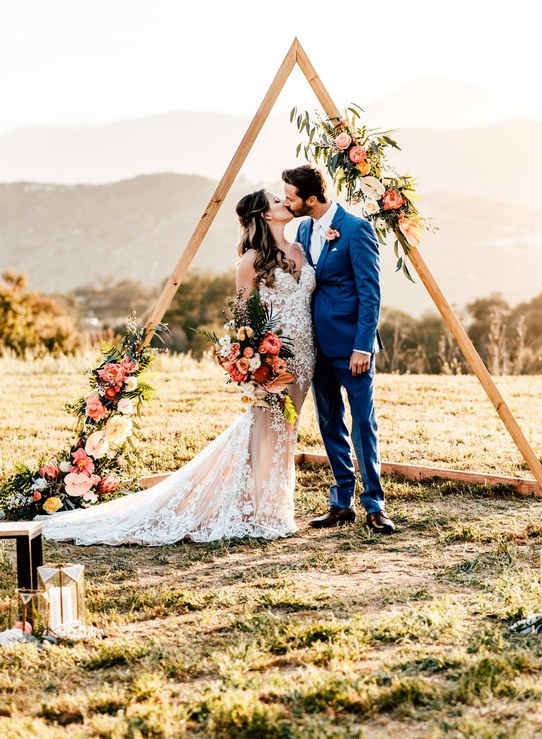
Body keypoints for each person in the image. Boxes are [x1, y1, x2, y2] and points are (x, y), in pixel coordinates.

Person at [38, 190, 315, 546]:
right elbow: (244, 321)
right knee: (268, 427)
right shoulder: (251, 261)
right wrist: (255, 362)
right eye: (276, 200)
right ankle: (264, 512)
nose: (284, 202)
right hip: (274, 359)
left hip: (307, 356)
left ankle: (267, 506)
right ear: (263, 215)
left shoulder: (301, 249)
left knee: (286, 429)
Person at [282, 164, 395, 534]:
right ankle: (341, 501)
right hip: (316, 345)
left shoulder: (356, 229)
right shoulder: (301, 228)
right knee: (330, 422)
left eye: (291, 197)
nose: (287, 202)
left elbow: (370, 293)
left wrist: (363, 346)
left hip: (352, 348)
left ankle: (374, 505)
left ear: (311, 199)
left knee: (363, 423)